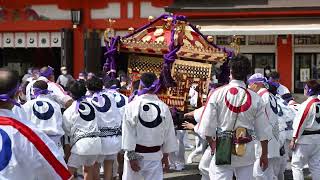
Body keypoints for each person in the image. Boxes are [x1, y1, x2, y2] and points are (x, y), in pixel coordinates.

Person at [200, 55, 270, 180]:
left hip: (223, 146)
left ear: (230, 71)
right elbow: (263, 130)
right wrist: (264, 154)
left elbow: (206, 125)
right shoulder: (256, 98)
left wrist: (212, 144)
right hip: (246, 149)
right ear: (247, 75)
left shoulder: (217, 93)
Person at [0, 68, 72, 179]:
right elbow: (62, 174)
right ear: (17, 93)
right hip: (50, 145)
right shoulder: (27, 133)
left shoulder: (27, 105)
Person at [122, 72, 178, 180]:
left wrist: (131, 156)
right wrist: (166, 156)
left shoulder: (132, 106)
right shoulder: (164, 107)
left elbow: (128, 133)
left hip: (136, 154)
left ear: (140, 86)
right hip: (155, 155)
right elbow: (169, 133)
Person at [63, 80, 102, 180]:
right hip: (96, 143)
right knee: (88, 170)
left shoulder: (69, 111)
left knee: (68, 172)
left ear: (70, 94)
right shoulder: (93, 105)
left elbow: (67, 131)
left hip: (81, 145)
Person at [86, 76, 122, 180]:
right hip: (113, 136)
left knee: (96, 164)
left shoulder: (89, 100)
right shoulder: (110, 97)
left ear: (88, 88)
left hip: (99, 138)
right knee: (109, 164)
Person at [247, 73, 282, 180]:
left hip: (264, 138)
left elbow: (257, 119)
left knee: (258, 173)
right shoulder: (271, 95)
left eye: (250, 85)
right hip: (273, 137)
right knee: (269, 172)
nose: (249, 87)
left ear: (256, 84)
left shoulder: (259, 96)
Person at [290, 80, 320, 180]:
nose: (304, 90)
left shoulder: (307, 104)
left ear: (310, 90)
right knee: (315, 166)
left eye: (306, 88)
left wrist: (294, 138)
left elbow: (300, 123)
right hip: (317, 139)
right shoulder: (318, 103)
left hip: (305, 140)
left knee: (296, 165)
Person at [23, 80, 65, 150]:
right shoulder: (56, 105)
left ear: (33, 91)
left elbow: (24, 124)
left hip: (37, 142)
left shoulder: (28, 105)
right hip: (54, 143)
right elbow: (60, 123)